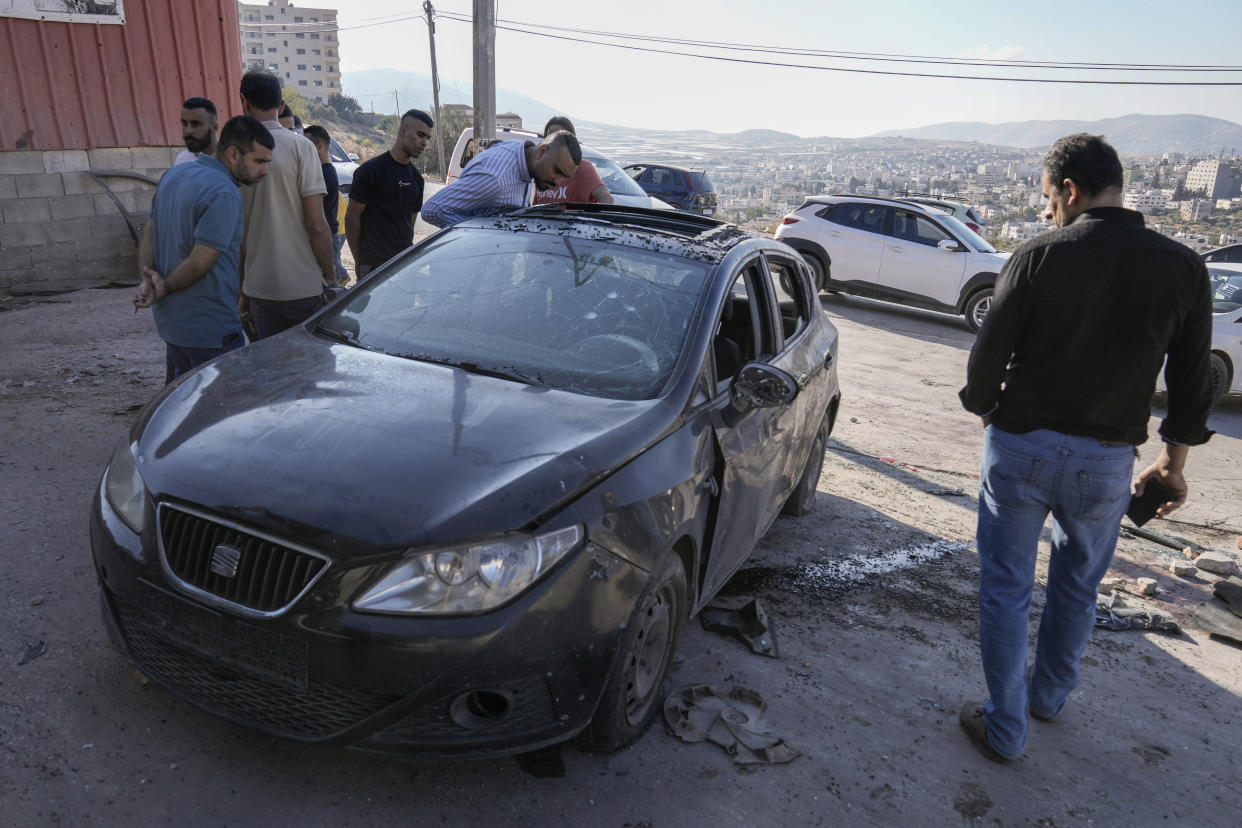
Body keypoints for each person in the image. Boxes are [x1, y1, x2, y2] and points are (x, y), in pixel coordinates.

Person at [957, 133, 1214, 763]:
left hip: (1021, 447)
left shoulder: (1038, 253)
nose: (1046, 212)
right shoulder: (1183, 266)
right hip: (1106, 461)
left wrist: (994, 414)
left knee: (1006, 590)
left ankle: (1006, 729)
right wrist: (1172, 465)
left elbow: (984, 365)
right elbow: (1191, 381)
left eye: (1048, 199)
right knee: (1077, 588)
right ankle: (1048, 700)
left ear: (1070, 190)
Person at [135, 116, 274, 382]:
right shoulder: (224, 193)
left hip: (173, 325)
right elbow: (200, 261)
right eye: (259, 161)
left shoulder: (174, 174)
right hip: (210, 330)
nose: (265, 170)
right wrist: (162, 286)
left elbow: (150, 230)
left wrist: (147, 277)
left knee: (179, 408)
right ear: (233, 154)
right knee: (216, 415)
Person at [236, 70, 337, 339]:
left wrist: (243, 291)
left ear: (244, 102)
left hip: (259, 288)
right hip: (302, 287)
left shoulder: (234, 154)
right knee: (307, 371)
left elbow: (239, 234)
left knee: (273, 371)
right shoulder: (301, 148)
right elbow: (317, 225)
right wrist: (330, 278)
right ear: (281, 105)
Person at [420, 130, 580, 228]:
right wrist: (487, 230)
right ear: (542, 152)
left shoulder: (528, 161)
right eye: (557, 171)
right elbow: (433, 210)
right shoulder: (496, 179)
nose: (558, 183)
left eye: (564, 177)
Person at [344, 109, 433, 279]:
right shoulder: (370, 171)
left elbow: (409, 225)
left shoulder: (416, 179)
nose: (424, 143)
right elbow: (351, 219)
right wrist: (360, 262)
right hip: (374, 267)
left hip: (404, 266)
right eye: (421, 135)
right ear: (404, 130)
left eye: (428, 138)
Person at [303, 124, 349, 285]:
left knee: (331, 283)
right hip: (329, 234)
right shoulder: (322, 171)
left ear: (320, 146)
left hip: (327, 236)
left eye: (306, 146)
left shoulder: (325, 173)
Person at [532, 116, 612, 206]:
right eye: (549, 138)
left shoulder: (583, 168)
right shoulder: (542, 171)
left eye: (558, 139)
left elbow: (606, 198)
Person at [174, 97, 218, 166]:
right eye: (184, 123)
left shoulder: (229, 161)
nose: (188, 131)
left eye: (195, 124)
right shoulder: (182, 160)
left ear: (214, 127)